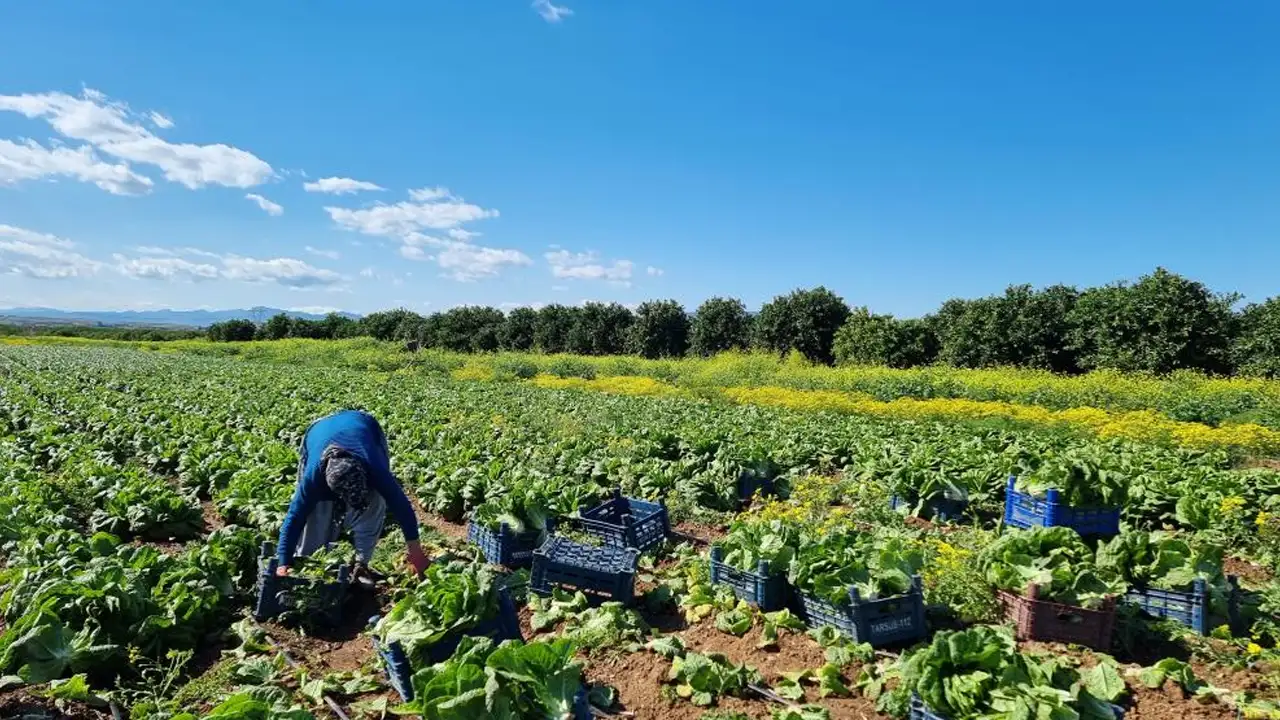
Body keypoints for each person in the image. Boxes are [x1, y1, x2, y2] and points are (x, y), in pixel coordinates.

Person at [275, 409, 430, 584]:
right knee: (316, 516)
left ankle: (360, 565)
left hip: (365, 426)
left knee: (375, 503)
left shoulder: (375, 468)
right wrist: (283, 562)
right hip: (318, 430)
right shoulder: (313, 480)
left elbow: (402, 508)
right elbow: (295, 517)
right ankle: (309, 563)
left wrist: (415, 552)